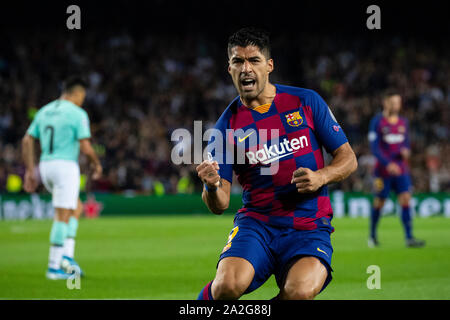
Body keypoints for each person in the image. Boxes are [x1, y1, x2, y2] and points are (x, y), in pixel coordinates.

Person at [195, 27, 357, 300]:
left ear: (269, 65)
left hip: (309, 225)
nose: (246, 68)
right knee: (226, 287)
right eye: (238, 61)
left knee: (299, 292)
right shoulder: (224, 129)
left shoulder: (305, 101)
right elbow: (219, 204)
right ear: (230, 69)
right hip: (258, 223)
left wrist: (321, 177)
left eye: (254, 60)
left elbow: (348, 159)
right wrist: (211, 186)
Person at [22, 76, 103, 279]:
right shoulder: (77, 114)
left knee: (76, 208)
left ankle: (67, 257)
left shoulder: (45, 110)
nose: (82, 100)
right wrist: (96, 163)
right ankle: (53, 266)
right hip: (65, 166)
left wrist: (31, 170)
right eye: (82, 96)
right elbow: (85, 146)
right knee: (62, 215)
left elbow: (27, 140)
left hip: (46, 165)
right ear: (76, 94)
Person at [368, 89, 425, 248]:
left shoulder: (403, 122)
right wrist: (388, 164)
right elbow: (375, 148)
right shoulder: (377, 121)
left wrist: (406, 151)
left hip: (401, 169)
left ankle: (409, 238)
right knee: (379, 201)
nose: (397, 105)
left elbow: (406, 143)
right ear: (386, 103)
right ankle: (372, 236)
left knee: (406, 198)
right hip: (382, 171)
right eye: (393, 102)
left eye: (398, 102)